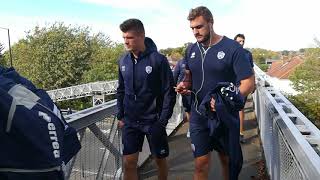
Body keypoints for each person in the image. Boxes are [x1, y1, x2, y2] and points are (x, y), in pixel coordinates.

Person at [175, 6, 255, 180]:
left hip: (223, 116)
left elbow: (249, 82)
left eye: (199, 27)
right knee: (200, 164)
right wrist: (184, 84)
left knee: (227, 161)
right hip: (198, 116)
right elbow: (189, 75)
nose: (195, 32)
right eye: (192, 28)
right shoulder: (191, 49)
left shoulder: (232, 48)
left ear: (211, 23)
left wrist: (226, 101)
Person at [116, 18, 176, 180]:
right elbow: (121, 90)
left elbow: (168, 92)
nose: (126, 42)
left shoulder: (158, 60)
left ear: (141, 36)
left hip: (153, 121)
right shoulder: (123, 61)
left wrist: (162, 120)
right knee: (129, 163)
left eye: (130, 38)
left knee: (160, 160)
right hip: (130, 121)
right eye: (124, 38)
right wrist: (120, 115)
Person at [234, 34, 254, 143]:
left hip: (243, 85)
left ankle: (240, 133)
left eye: (243, 41)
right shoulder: (231, 53)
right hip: (232, 84)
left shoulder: (247, 54)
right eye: (239, 41)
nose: (241, 43)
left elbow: (251, 70)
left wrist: (253, 84)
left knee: (240, 108)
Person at [173, 58, 191, 137]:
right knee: (188, 109)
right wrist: (174, 88)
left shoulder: (198, 59)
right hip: (184, 92)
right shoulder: (180, 62)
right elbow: (175, 75)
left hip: (196, 91)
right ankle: (191, 128)